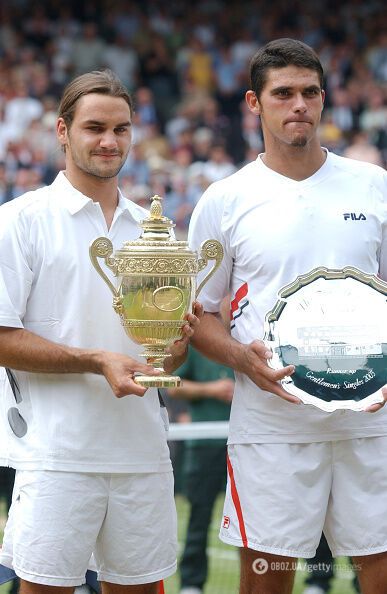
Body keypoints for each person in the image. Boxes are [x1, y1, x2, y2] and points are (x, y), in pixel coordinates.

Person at [187, 38, 387, 594]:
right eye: (283, 94)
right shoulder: (224, 200)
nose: (298, 104)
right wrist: (239, 359)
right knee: (268, 581)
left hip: (371, 421)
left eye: (310, 92)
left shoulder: (374, 187)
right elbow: (199, 315)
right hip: (272, 426)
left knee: (381, 571)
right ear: (254, 102)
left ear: (324, 99)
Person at [0, 69, 201, 594]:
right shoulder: (20, 222)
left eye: (121, 129)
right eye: (94, 127)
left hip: (142, 451)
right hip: (56, 455)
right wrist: (96, 360)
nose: (109, 141)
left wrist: (174, 347)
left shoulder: (154, 229)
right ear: (63, 132)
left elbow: (161, 364)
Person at [167, 345, 234, 594]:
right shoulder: (196, 344)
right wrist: (212, 390)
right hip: (203, 442)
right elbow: (172, 385)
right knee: (199, 516)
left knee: (251, 520)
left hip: (246, 444)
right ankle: (191, 584)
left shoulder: (250, 332)